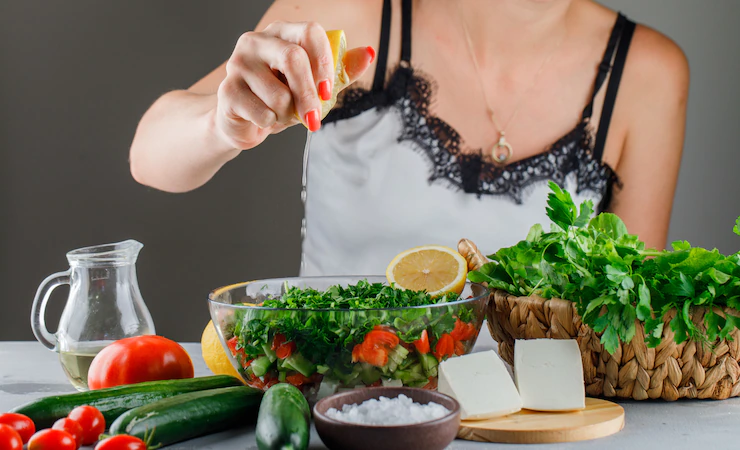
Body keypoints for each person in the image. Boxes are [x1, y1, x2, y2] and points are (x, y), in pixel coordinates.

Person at [129, 0, 689, 276]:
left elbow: (629, 319)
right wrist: (222, 123)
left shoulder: (648, 74)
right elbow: (150, 154)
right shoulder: (358, 9)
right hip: (332, 408)